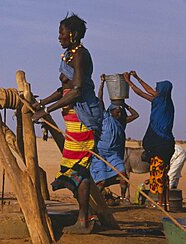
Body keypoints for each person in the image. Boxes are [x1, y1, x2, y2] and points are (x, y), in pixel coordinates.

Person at [31, 14, 103, 234]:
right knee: (74, 169)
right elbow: (63, 88)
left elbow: (77, 90)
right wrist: (40, 103)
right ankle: (85, 216)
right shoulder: (68, 55)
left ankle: (83, 220)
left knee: (79, 170)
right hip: (72, 119)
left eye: (62, 33)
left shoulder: (81, 55)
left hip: (84, 119)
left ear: (73, 34)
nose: (59, 37)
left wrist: (46, 111)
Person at [124, 71, 175, 210]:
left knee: (157, 173)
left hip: (159, 143)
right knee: (164, 174)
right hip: (167, 145)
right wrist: (137, 77)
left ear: (162, 91)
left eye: (157, 89)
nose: (155, 91)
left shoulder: (159, 101)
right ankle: (166, 203)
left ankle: (159, 203)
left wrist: (128, 82)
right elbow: (150, 91)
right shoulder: (166, 102)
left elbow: (141, 93)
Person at [90, 73, 139, 204]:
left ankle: (123, 198)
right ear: (110, 111)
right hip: (101, 154)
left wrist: (125, 105)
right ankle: (95, 201)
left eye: (120, 111)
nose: (119, 113)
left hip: (114, 156)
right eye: (117, 111)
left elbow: (136, 115)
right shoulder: (105, 117)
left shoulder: (122, 122)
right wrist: (102, 83)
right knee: (101, 181)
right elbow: (100, 100)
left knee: (123, 176)